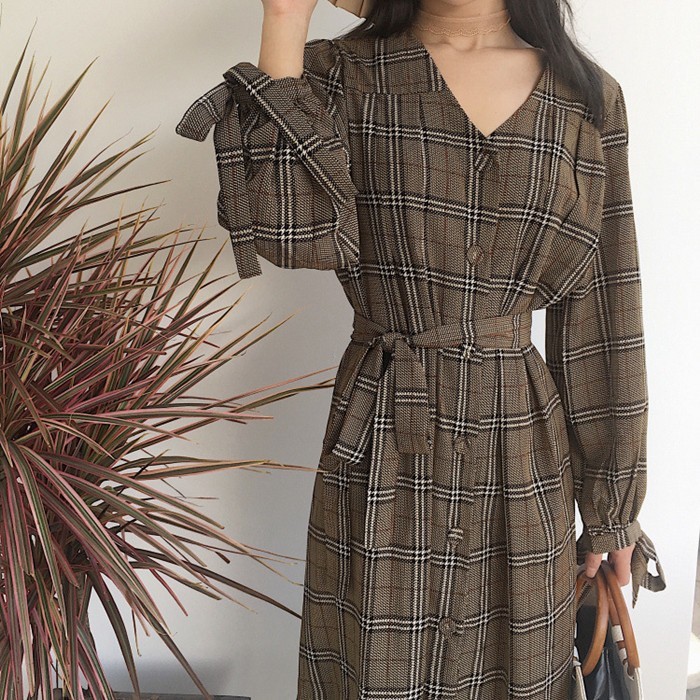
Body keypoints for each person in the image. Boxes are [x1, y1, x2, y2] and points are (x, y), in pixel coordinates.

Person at [176, 0, 668, 697]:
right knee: (375, 669)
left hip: (521, 448)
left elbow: (603, 311)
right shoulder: (338, 75)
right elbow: (286, 234)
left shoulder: (585, 98)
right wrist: (284, 17)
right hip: (382, 433)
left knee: (517, 670)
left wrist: (612, 509)